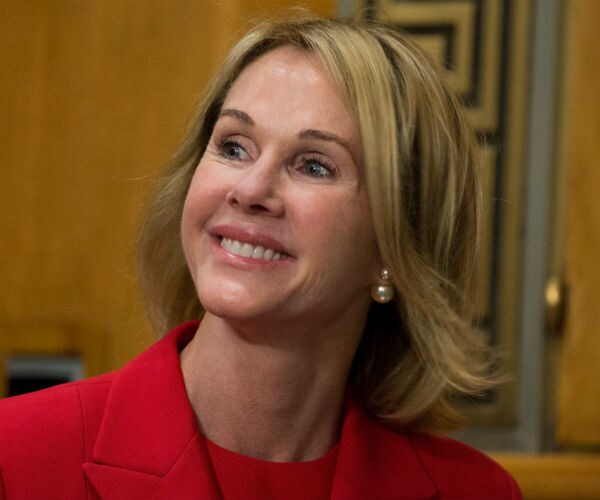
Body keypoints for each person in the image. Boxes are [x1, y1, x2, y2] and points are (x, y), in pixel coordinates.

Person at [0, 14, 521, 500]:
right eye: (233, 147)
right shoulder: (16, 456)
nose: (250, 189)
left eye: (314, 166)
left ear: (397, 244)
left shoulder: (476, 491)